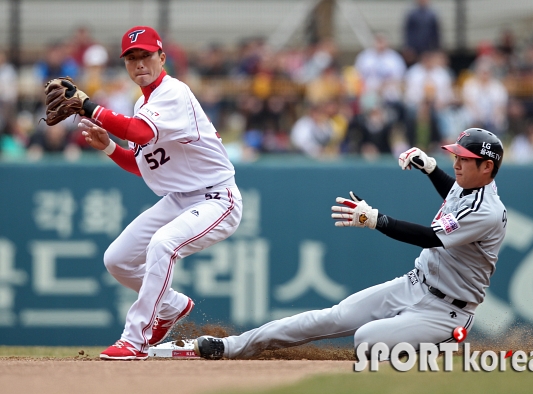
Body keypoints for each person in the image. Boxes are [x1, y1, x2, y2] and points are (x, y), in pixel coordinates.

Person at [190, 128, 506, 361]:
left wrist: (376, 219)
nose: (456, 163)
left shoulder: (487, 212)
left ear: (487, 167)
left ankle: (445, 344)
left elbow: (430, 236)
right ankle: (233, 346)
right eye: (456, 156)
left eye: (465, 158)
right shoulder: (469, 186)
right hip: (416, 284)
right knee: (332, 317)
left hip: (448, 311)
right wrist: (432, 170)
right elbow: (455, 194)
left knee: (367, 342)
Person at [74, 26, 243, 360]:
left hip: (217, 198)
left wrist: (91, 107)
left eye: (146, 55)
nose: (139, 63)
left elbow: (137, 131)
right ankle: (172, 306)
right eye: (132, 57)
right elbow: (143, 165)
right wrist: (108, 147)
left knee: (162, 244)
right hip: (181, 198)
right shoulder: (143, 103)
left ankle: (134, 339)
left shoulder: (173, 92)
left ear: (162, 58)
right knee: (117, 259)